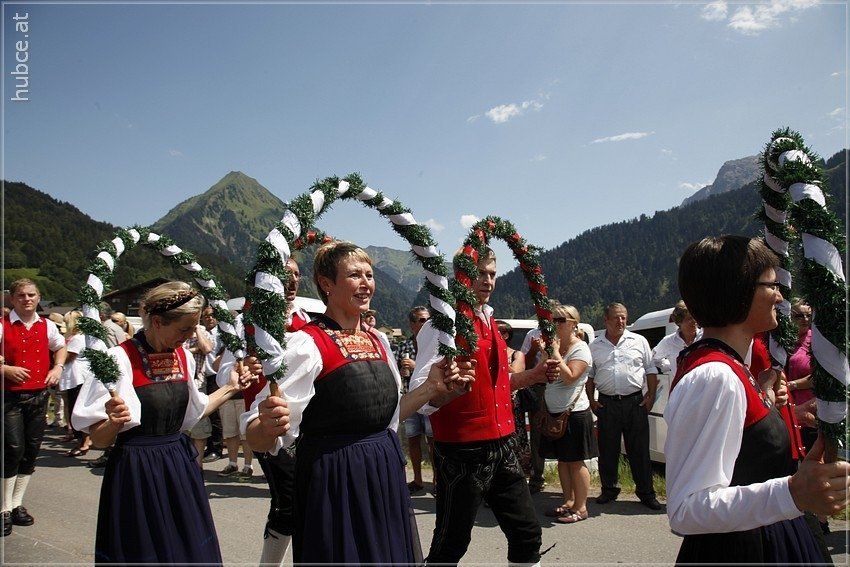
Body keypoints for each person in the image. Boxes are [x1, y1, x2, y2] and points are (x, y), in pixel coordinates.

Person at [244, 242, 462, 564]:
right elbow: (258, 436)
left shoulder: (379, 340)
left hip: (384, 469)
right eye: (354, 275)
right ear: (326, 283)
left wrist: (431, 388)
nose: (366, 283)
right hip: (336, 479)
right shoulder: (306, 344)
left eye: (369, 275)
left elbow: (390, 418)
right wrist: (266, 424)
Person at [666, 235, 848, 564]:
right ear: (738, 290)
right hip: (745, 549)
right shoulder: (715, 377)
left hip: (765, 535)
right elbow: (686, 510)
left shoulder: (733, 367)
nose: (780, 295)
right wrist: (793, 492)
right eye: (772, 285)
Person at [72, 281, 256, 565]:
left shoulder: (182, 356)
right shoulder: (118, 360)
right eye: (184, 329)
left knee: (187, 548)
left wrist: (231, 388)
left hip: (178, 463)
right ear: (157, 322)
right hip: (137, 469)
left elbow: (195, 411)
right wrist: (113, 422)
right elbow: (99, 439)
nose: (191, 335)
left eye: (194, 327)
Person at [409, 247, 556, 565]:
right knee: (451, 544)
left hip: (504, 445)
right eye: (479, 273)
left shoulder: (489, 321)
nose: (487, 280)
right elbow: (421, 395)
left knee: (527, 534)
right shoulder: (442, 325)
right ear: (461, 277)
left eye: (492, 274)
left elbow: (499, 386)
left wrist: (534, 375)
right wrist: (448, 393)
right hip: (462, 451)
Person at [220, 257, 310, 566]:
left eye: (296, 274)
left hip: (305, 424)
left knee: (306, 501)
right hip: (266, 426)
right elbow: (225, 374)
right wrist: (242, 367)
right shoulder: (246, 321)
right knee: (288, 503)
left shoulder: (304, 318)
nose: (292, 280)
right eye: (285, 274)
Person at [1, 279, 68, 537]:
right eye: (21, 295)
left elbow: (60, 347)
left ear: (38, 297)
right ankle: (3, 508)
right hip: (9, 397)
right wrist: (5, 369)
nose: (27, 299)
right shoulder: (2, 325)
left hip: (39, 396)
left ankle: (16, 504)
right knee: (12, 449)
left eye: (31, 295)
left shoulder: (47, 325)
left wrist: (57, 367)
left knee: (31, 450)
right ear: (12, 298)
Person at [586, 302, 661, 510]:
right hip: (607, 404)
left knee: (639, 450)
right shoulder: (595, 346)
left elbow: (650, 369)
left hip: (635, 402)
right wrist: (591, 400)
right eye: (616, 317)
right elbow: (590, 376)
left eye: (624, 317)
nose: (621, 321)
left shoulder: (639, 341)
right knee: (607, 449)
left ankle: (646, 493)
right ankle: (609, 489)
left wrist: (651, 396)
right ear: (606, 320)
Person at [539, 304, 597, 524]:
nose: (555, 324)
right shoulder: (554, 347)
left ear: (573, 324)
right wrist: (544, 354)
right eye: (553, 320)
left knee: (575, 462)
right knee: (562, 461)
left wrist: (554, 353)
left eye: (561, 320)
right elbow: (542, 375)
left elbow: (571, 376)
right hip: (555, 413)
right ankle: (568, 501)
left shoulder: (580, 348)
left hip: (575, 413)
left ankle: (581, 508)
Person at [398, 305, 434, 494]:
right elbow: (395, 370)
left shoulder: (434, 344)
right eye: (421, 320)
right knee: (413, 440)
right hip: (410, 399)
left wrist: (415, 365)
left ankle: (437, 479)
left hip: (430, 399)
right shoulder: (404, 346)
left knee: (433, 441)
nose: (426, 323)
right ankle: (418, 480)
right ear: (412, 324)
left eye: (428, 319)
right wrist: (402, 370)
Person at [498, 320, 531, 475]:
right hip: (495, 402)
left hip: (512, 402)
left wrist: (498, 357)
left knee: (516, 437)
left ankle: (521, 474)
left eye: (500, 331)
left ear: (506, 335)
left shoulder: (517, 354)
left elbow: (516, 373)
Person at [58, 310, 93, 458]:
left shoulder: (78, 338)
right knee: (76, 409)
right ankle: (84, 440)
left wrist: (56, 360)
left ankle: (83, 442)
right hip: (76, 377)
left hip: (77, 378)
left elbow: (69, 356)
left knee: (76, 410)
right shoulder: (80, 337)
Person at [786, 299, 817, 451]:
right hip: (787, 414)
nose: (805, 319)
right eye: (799, 316)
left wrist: (792, 385)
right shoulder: (782, 341)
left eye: (808, 315)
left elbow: (821, 377)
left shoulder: (815, 341)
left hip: (809, 416)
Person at [185, 323, 213, 468]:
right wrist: (194, 350)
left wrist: (196, 329)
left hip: (198, 384)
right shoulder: (177, 330)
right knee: (183, 427)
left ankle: (198, 465)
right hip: (180, 383)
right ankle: (185, 464)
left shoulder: (202, 331)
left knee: (199, 425)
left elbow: (207, 348)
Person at [651, 300, 701, 378]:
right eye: (690, 318)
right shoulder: (668, 342)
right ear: (679, 322)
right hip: (681, 384)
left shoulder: (704, 337)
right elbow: (653, 358)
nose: (694, 321)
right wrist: (668, 366)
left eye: (695, 317)